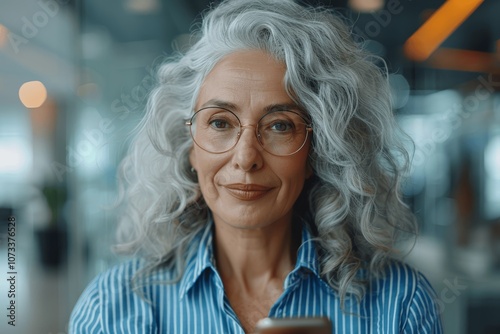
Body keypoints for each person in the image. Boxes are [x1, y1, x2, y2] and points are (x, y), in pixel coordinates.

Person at [70, 0, 443, 333]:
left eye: (280, 125)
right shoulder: (113, 310)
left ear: (318, 151)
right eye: (220, 123)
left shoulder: (399, 306)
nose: (246, 157)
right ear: (188, 147)